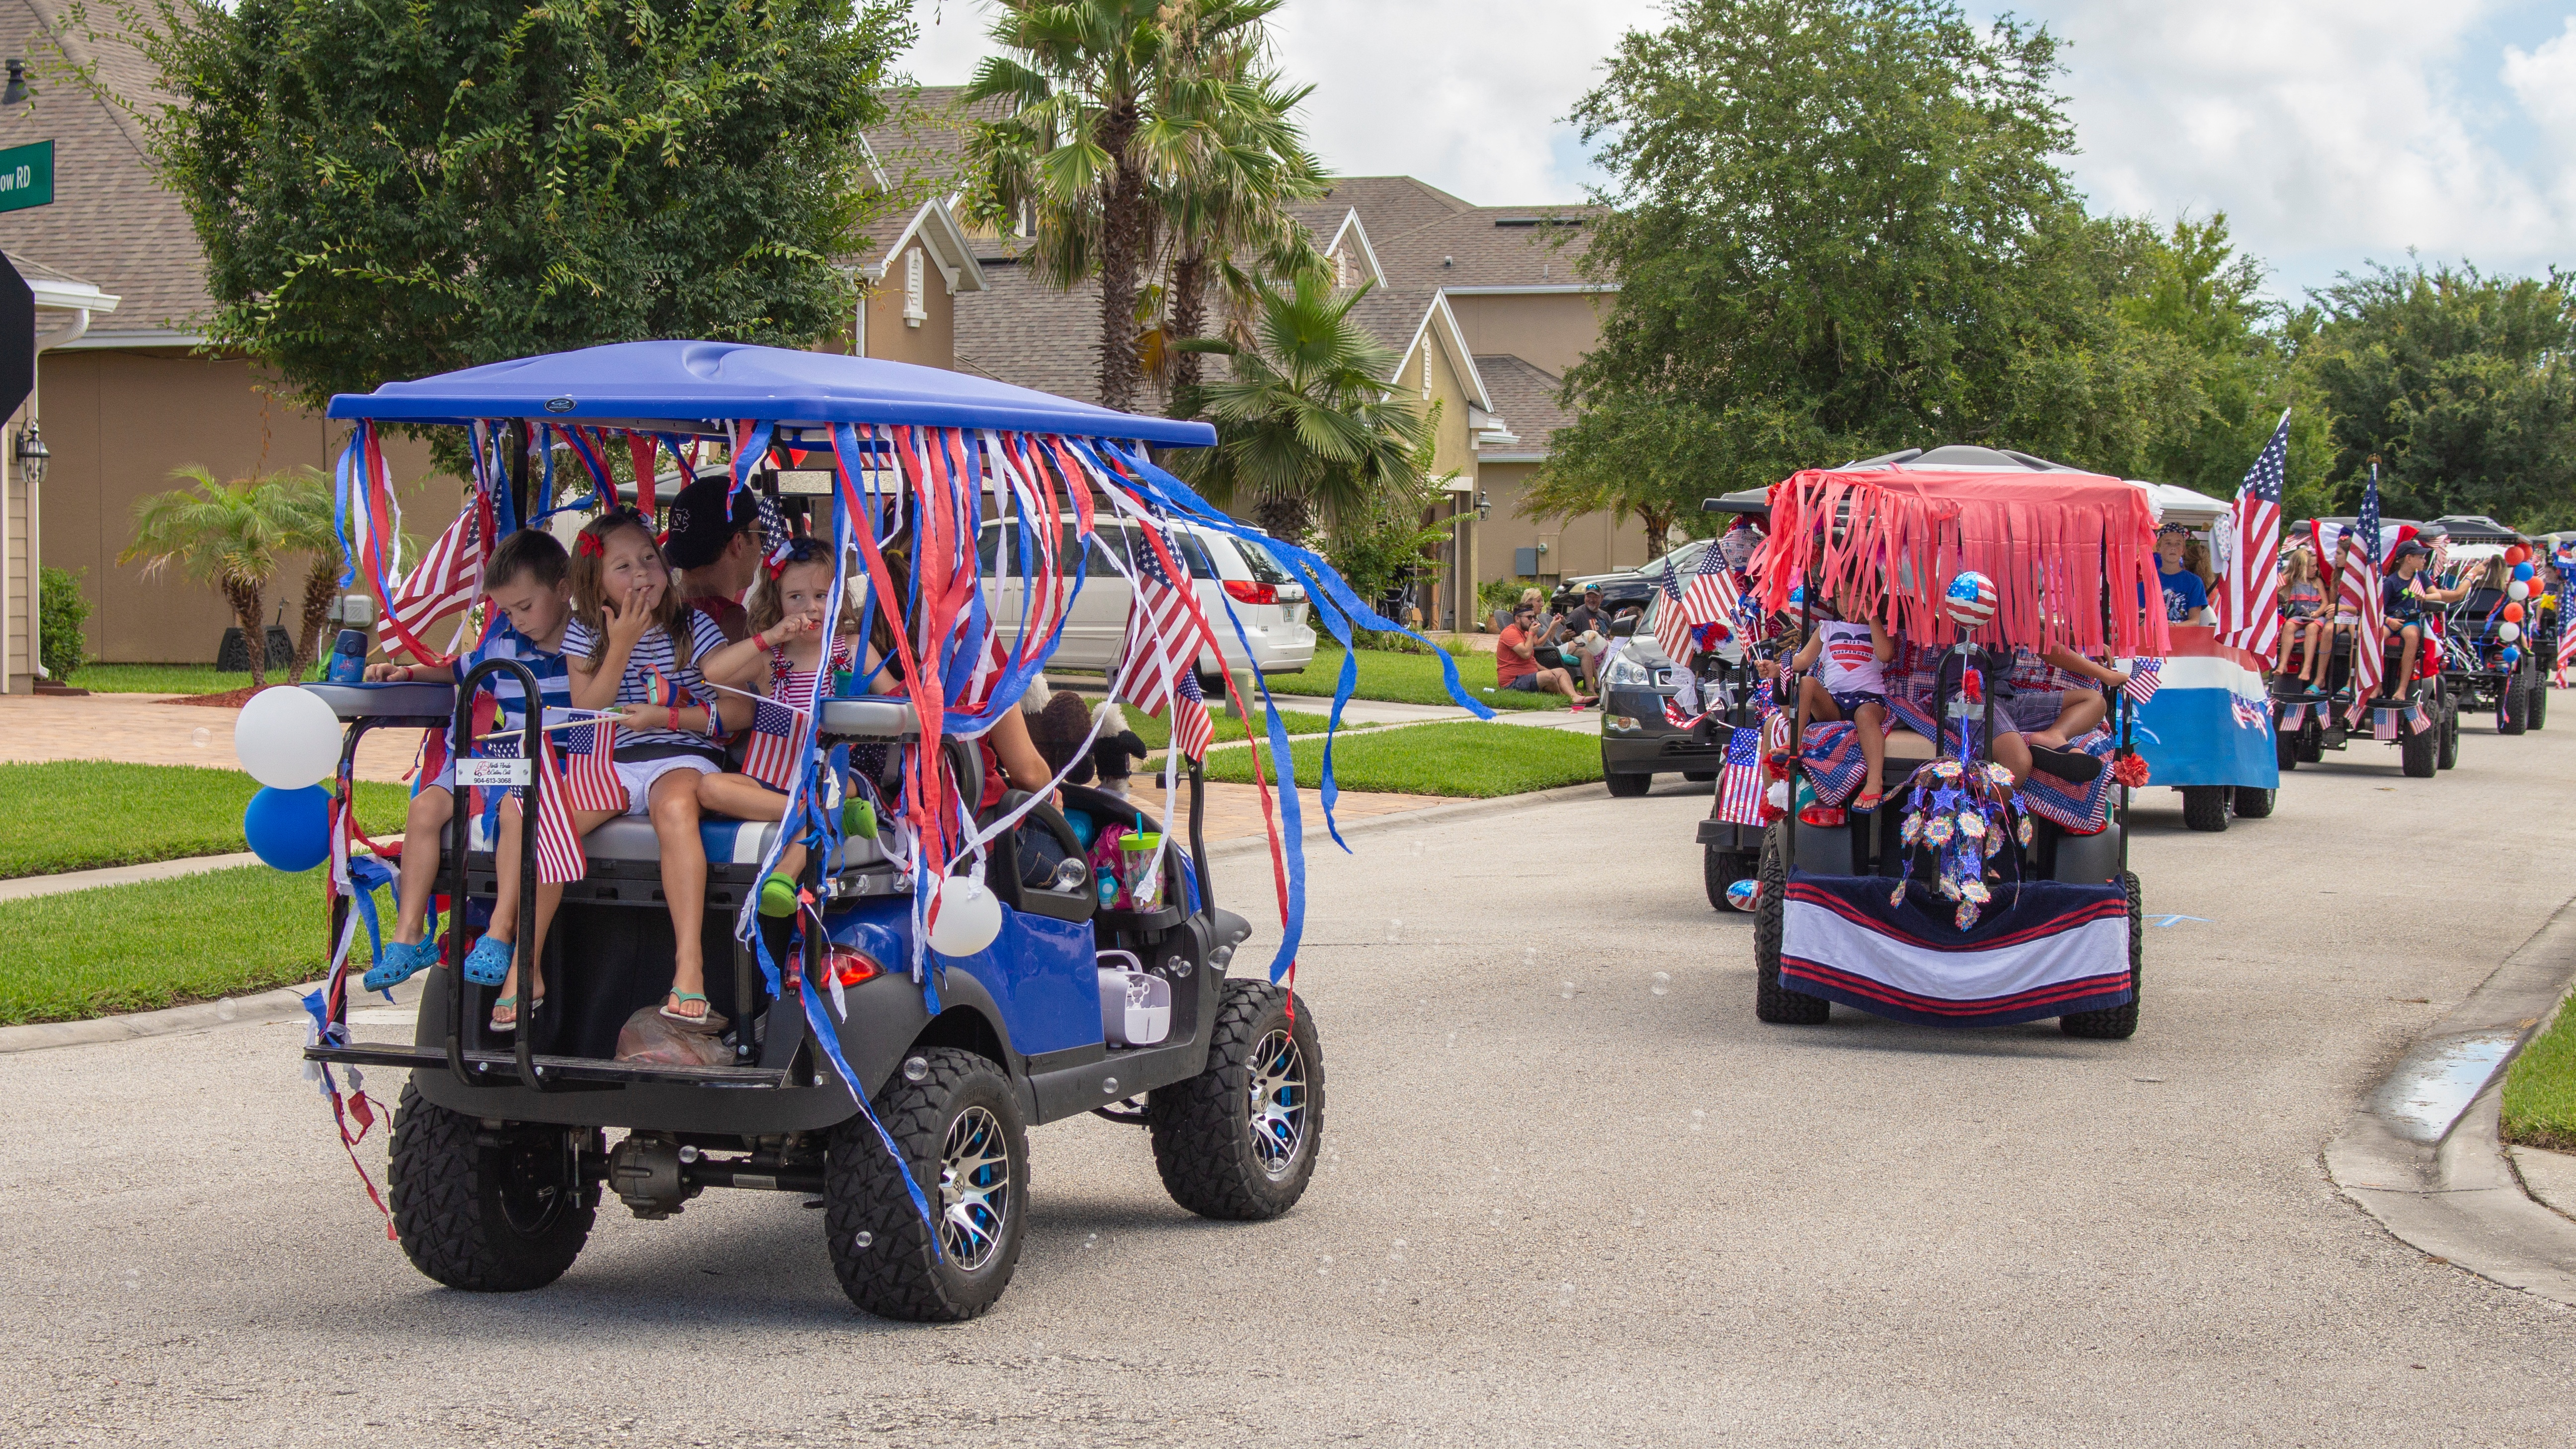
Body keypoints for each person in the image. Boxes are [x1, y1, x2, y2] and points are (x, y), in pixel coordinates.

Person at [357, 529, 575, 992]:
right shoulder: (503, 649)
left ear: (564, 588)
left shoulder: (589, 648)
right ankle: (410, 935)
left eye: (525, 607)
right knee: (426, 808)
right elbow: (457, 668)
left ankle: (500, 931)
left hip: (560, 770)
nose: (517, 621)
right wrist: (405, 671)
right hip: (510, 762)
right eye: (508, 612)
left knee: (518, 810)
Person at [550, 509, 736, 1034]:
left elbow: (732, 712)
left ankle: (689, 967)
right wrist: (622, 645)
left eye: (649, 560)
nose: (642, 575)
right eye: (624, 567)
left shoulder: (693, 626)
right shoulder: (587, 633)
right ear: (596, 583)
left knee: (674, 807)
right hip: (612, 760)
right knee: (547, 821)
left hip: (681, 750)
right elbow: (590, 709)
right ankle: (524, 962)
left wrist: (667, 716)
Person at [696, 538, 858, 918]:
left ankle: (784, 878)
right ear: (778, 603)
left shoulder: (850, 649)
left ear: (837, 599)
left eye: (821, 595)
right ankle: (816, 814)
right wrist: (770, 637)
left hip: (828, 772)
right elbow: (711, 674)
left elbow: (897, 700)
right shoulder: (769, 662)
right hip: (772, 779)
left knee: (839, 786)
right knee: (708, 788)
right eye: (796, 597)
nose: (810, 608)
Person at [1784, 592, 1895, 810]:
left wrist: (1871, 615)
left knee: (1864, 716)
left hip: (1869, 700)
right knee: (1807, 682)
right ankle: (1793, 746)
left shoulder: (1881, 630)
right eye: (1841, 595)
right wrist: (1778, 668)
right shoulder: (1827, 628)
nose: (1847, 602)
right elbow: (1803, 660)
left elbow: (1885, 655)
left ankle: (1874, 781)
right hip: (1834, 701)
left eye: (1856, 595)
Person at [663, 475, 762, 644]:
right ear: (738, 542)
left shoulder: (654, 608)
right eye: (761, 534)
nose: (762, 547)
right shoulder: (733, 625)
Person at [2382, 537, 2470, 695]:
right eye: (2421, 557)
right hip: (2391, 620)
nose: (2424, 561)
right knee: (2376, 636)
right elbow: (2379, 609)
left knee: (2412, 636)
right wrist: (2389, 620)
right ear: (2408, 559)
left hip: (2411, 621)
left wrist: (2424, 597)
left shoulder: (2421, 577)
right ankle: (2376, 684)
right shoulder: (2391, 582)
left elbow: (2436, 595)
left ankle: (2402, 689)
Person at [1497, 604, 1594, 706]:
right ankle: (1563, 697)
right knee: (1548, 676)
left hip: (1530, 676)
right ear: (1517, 618)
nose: (1533, 620)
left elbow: (1532, 659)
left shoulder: (1525, 633)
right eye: (1529, 617)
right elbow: (1525, 654)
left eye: (1534, 617)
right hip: (1513, 682)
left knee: (1561, 672)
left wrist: (1550, 671)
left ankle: (1575, 697)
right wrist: (1531, 634)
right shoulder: (1510, 632)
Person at [2280, 546, 2329, 688]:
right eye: (2313, 566)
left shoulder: (2317, 582)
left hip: (2316, 615)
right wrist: (2289, 574)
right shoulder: (2293, 581)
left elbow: (2325, 603)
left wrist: (2318, 613)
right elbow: (2275, 589)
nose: (2316, 569)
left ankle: (2307, 668)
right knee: (2289, 625)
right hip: (2301, 615)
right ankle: (2283, 664)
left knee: (2312, 629)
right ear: (2302, 568)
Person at [2156, 523, 2210, 624]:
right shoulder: (2148, 581)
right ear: (2159, 548)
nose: (2173, 548)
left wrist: (2174, 627)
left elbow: (2195, 621)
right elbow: (2141, 617)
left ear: (2183, 550)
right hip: (2155, 638)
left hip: (2185, 638)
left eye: (2178, 544)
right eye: (2168, 543)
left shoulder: (2195, 582)